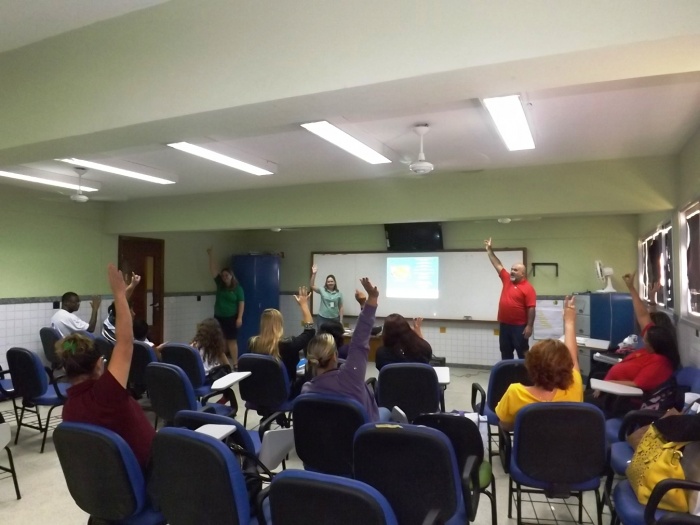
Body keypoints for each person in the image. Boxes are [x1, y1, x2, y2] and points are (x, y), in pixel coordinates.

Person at [59, 264, 155, 471]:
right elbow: (125, 343)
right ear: (98, 364)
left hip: (111, 478)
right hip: (147, 472)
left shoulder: (68, 410)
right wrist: (119, 293)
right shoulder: (107, 393)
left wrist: (124, 293)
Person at [302, 277, 391, 422]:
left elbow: (359, 341)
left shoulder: (306, 391)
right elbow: (359, 341)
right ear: (334, 356)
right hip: (362, 433)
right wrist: (372, 298)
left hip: (328, 435)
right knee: (386, 412)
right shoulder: (351, 377)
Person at [495, 295, 582, 431]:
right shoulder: (574, 387)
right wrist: (569, 322)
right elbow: (573, 358)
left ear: (530, 367)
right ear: (567, 367)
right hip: (566, 445)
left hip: (530, 445)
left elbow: (504, 425)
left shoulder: (515, 393)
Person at [593, 272, 679, 396]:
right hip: (610, 387)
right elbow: (643, 315)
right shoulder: (652, 344)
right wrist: (631, 287)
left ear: (654, 344)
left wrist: (605, 385)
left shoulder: (659, 362)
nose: (643, 340)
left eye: (645, 340)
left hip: (617, 395)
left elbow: (637, 385)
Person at [248, 286, 316, 398]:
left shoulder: (252, 343)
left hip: (259, 393)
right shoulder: (288, 344)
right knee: (305, 365)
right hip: (285, 393)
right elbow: (310, 331)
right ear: (279, 325)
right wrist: (304, 305)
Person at [484, 237, 536, 360]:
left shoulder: (528, 288)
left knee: (523, 354)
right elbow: (497, 264)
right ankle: (508, 372)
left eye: (515, 270)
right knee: (505, 353)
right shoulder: (507, 279)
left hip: (519, 327)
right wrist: (489, 250)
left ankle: (525, 372)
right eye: (512, 269)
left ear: (522, 273)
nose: (512, 272)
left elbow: (531, 308)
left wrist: (529, 326)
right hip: (505, 325)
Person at [207, 247, 245, 369]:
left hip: (231, 317)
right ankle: (224, 364)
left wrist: (239, 318)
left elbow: (241, 303)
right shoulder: (220, 284)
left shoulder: (237, 289)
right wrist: (211, 255)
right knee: (219, 340)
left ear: (231, 276)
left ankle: (235, 363)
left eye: (226, 275)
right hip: (218, 317)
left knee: (231, 340)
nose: (224, 277)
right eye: (223, 275)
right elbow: (213, 270)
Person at [191, 317, 236, 407]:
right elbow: (227, 366)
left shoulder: (192, 346)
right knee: (226, 374)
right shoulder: (215, 348)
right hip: (208, 379)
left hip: (194, 380)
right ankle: (225, 398)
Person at [101, 272, 141, 342]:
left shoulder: (111, 319)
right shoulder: (123, 338)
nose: (134, 314)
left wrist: (132, 285)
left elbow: (121, 300)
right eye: (130, 311)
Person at [310, 265, 343, 329]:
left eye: (332, 281)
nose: (330, 283)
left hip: (334, 319)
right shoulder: (322, 290)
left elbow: (341, 307)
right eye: (328, 282)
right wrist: (314, 274)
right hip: (322, 318)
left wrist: (341, 320)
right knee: (321, 334)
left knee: (334, 334)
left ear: (335, 282)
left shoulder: (339, 294)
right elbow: (312, 285)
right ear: (326, 283)